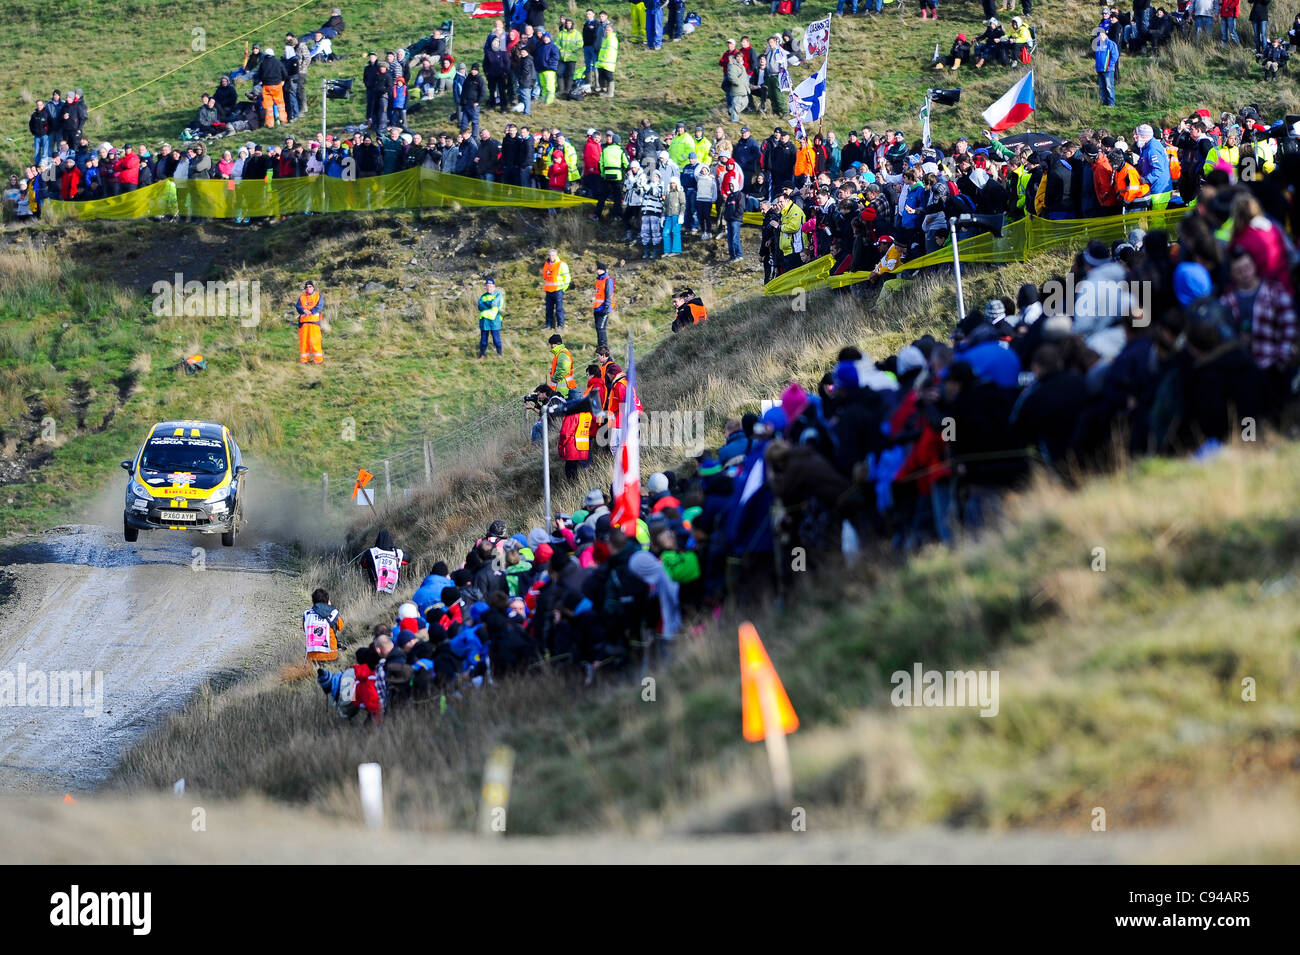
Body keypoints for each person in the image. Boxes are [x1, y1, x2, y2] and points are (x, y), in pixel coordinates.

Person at [304, 587, 344, 662]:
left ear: (313, 601)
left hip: (312, 656)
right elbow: (341, 626)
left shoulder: (307, 614)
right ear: (327, 600)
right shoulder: (333, 613)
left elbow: (305, 629)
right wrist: (329, 607)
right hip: (331, 654)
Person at [363, 529, 408, 594]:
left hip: (375, 587)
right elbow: (407, 560)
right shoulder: (397, 553)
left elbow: (364, 564)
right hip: (394, 588)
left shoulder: (371, 552)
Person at [542, 248, 571, 329]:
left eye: (553, 255)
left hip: (558, 290)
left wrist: (563, 289)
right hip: (548, 290)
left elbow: (567, 278)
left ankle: (560, 325)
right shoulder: (546, 264)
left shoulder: (561, 264)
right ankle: (548, 325)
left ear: (556, 255)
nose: (551, 257)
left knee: (559, 309)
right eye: (550, 255)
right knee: (548, 309)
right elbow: (545, 275)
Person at [296, 281, 323, 364]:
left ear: (313, 287)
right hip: (303, 323)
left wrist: (310, 311)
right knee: (304, 342)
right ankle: (304, 360)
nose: (308, 288)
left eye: (310, 286)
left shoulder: (318, 295)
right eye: (307, 287)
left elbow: (319, 307)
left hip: (314, 323)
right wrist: (303, 310)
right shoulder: (301, 297)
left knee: (315, 341)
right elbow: (298, 306)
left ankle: (318, 360)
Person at [479, 276, 505, 357]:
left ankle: (499, 354)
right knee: (483, 340)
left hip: (495, 320)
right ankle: (482, 355)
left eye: (490, 286)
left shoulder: (498, 295)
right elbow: (480, 306)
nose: (488, 287)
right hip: (484, 320)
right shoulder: (483, 296)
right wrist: (489, 304)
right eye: (487, 286)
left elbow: (495, 303)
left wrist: (486, 303)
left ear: (494, 286)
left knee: (496, 339)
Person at [1094, 27, 1119, 106]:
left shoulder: (1111, 44)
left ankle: (1111, 104)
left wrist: (1109, 65)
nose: (1100, 37)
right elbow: (1097, 57)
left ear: (1105, 35)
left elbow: (1115, 55)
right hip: (1100, 69)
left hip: (1108, 70)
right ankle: (1103, 103)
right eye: (1099, 35)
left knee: (1109, 87)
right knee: (1102, 87)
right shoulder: (1098, 45)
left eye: (1102, 35)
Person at [593, 262, 615, 348]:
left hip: (604, 308)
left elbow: (609, 294)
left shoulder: (608, 280)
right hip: (597, 308)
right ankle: (600, 345)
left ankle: (603, 346)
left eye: (600, 269)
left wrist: (606, 307)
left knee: (601, 328)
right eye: (598, 269)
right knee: (598, 328)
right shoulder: (599, 280)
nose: (598, 271)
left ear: (604, 270)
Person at [596, 24, 619, 97]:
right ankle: (605, 91)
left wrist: (603, 57)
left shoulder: (612, 39)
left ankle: (610, 93)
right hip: (603, 62)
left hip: (607, 62)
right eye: (606, 30)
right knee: (603, 76)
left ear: (612, 30)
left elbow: (609, 51)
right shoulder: (608, 38)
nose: (606, 31)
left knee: (609, 77)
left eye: (608, 30)